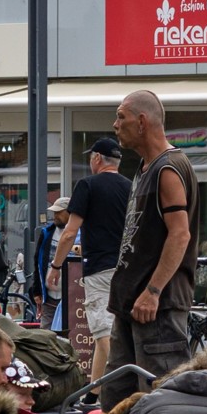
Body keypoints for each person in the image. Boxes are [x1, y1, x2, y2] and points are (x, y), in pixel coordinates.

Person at [101, 90, 199, 409]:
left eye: (121, 116)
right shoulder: (145, 169)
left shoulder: (168, 169)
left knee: (163, 401)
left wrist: (154, 291)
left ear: (142, 122)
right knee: (116, 399)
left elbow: (180, 235)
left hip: (158, 308)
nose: (115, 124)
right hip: (132, 305)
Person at [46, 137, 133, 399]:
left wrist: (56, 265)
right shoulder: (131, 187)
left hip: (100, 269)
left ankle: (118, 388)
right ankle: (93, 392)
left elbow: (70, 232)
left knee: (104, 333)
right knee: (105, 332)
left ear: (97, 158)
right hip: (128, 269)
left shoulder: (87, 185)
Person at [31, 197, 71, 329]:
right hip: (49, 297)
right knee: (46, 335)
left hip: (71, 296)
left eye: (59, 212)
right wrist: (37, 291)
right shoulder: (47, 232)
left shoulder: (79, 234)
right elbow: (38, 262)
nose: (55, 216)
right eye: (54, 213)